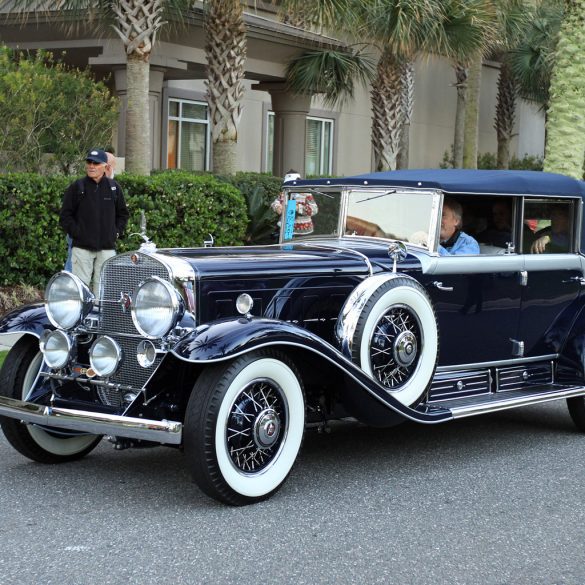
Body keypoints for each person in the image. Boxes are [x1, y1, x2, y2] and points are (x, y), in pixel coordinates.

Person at [60, 148, 129, 296]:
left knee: (104, 291)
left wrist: (116, 232)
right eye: (89, 162)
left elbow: (123, 215)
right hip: (82, 249)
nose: (91, 166)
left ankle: (101, 318)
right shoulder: (77, 187)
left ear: (105, 166)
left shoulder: (114, 188)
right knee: (79, 292)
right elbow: (65, 216)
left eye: (96, 163)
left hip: (106, 249)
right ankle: (80, 319)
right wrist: (78, 233)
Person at [64, 151, 117, 271]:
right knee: (74, 268)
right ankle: (72, 288)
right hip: (81, 239)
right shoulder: (80, 186)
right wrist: (76, 232)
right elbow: (67, 213)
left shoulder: (112, 188)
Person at [271, 170, 318, 236]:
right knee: (286, 246)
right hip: (286, 231)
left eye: (292, 182)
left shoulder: (306, 194)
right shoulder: (284, 193)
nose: (290, 185)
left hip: (303, 232)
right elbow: (274, 203)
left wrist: (298, 207)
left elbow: (314, 210)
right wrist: (277, 206)